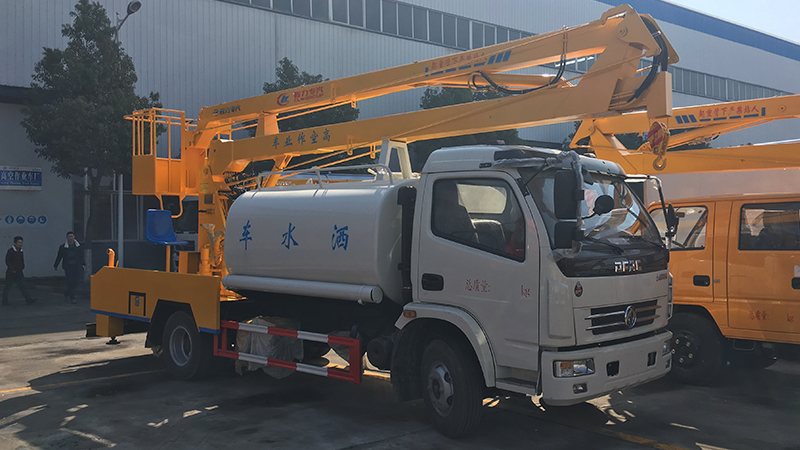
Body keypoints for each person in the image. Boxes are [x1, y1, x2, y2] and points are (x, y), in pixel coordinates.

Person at [3, 236, 37, 305]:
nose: (20, 244)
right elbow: (7, 261)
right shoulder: (11, 251)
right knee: (8, 287)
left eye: (21, 242)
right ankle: (4, 301)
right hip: (11, 273)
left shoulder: (21, 251)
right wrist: (12, 270)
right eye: (19, 242)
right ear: (15, 243)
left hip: (19, 272)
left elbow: (21, 260)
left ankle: (29, 300)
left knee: (23, 286)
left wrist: (22, 266)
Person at [54, 231, 85, 304]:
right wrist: (55, 265)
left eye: (72, 236)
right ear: (67, 237)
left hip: (76, 266)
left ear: (74, 237)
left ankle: (67, 292)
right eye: (69, 237)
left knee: (76, 281)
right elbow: (59, 256)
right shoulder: (63, 247)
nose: (70, 238)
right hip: (67, 266)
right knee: (70, 281)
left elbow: (81, 256)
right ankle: (72, 297)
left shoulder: (78, 246)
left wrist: (83, 264)